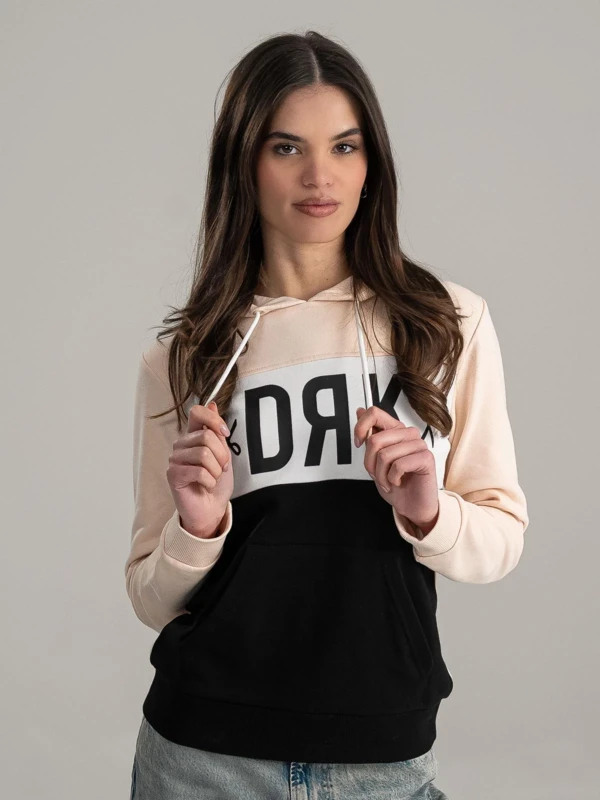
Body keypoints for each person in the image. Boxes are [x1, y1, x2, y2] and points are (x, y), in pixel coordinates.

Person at [124, 29, 529, 800]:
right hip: (201, 758)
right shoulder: (186, 356)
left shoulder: (446, 323)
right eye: (287, 148)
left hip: (382, 757)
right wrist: (199, 529)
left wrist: (429, 513)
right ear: (244, 161)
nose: (320, 176)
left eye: (344, 146)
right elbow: (150, 596)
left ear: (372, 161)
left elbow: (501, 538)